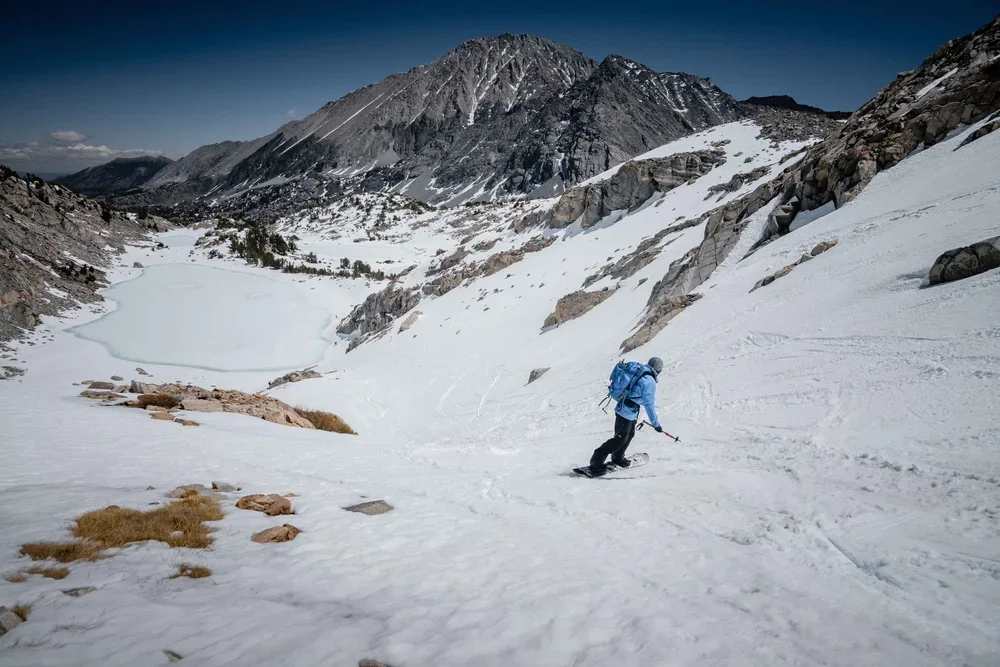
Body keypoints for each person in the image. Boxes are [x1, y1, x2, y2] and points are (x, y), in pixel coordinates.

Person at [590, 356, 664, 472]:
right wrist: (656, 424)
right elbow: (649, 405)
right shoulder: (649, 381)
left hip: (628, 410)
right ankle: (596, 460)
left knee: (629, 435)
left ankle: (617, 457)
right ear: (658, 369)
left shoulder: (640, 371)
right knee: (620, 439)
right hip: (625, 411)